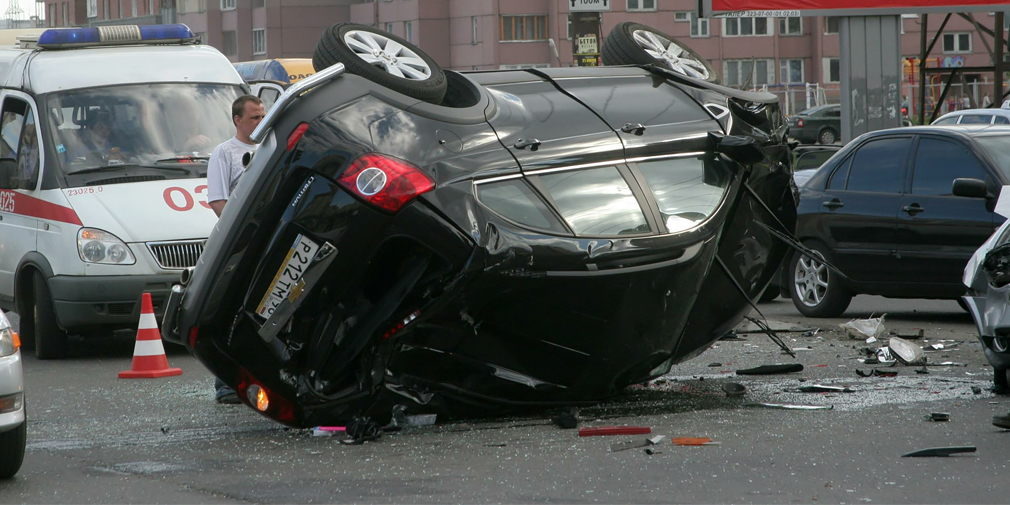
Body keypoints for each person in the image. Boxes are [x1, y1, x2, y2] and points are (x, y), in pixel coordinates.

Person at [206, 95, 265, 403]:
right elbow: (218, 201)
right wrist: (244, 237)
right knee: (233, 310)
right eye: (254, 117)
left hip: (269, 241)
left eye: (262, 116)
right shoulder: (224, 153)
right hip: (241, 245)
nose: (259, 122)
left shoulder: (269, 149)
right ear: (237, 120)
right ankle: (227, 385)